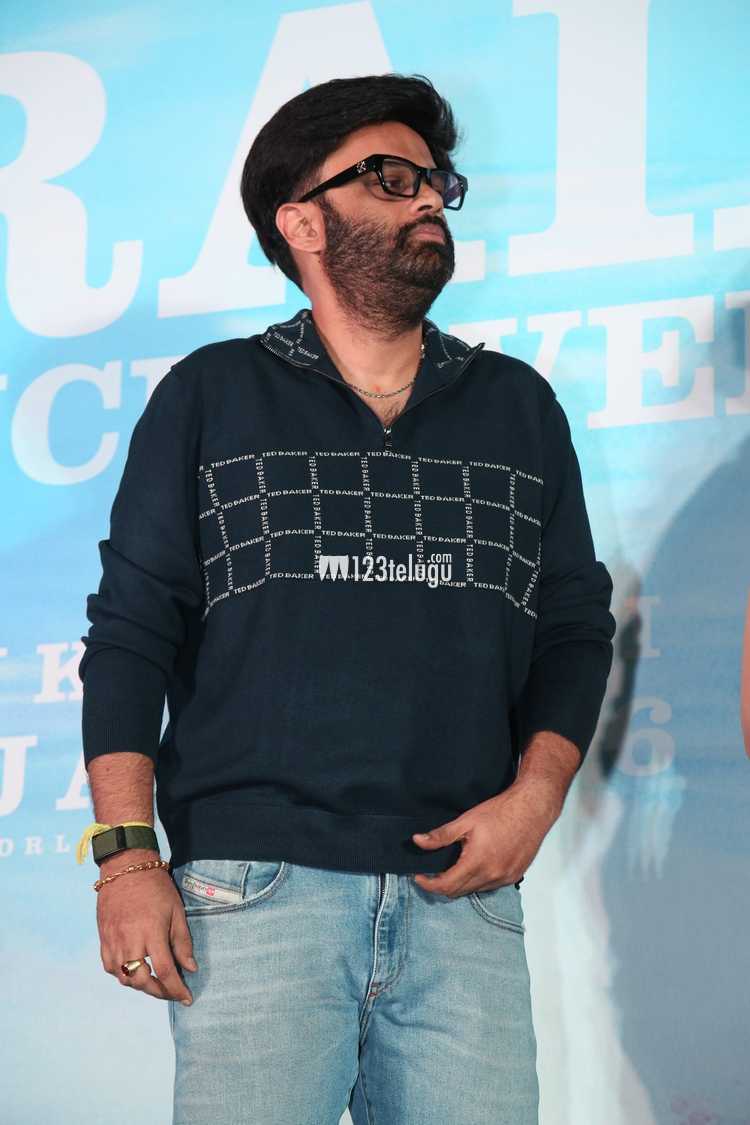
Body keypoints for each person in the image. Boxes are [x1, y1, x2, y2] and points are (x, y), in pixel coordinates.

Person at [77, 73, 616, 1125]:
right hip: (252, 897)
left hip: (465, 904)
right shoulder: (211, 395)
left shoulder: (517, 406)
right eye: (390, 178)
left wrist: (539, 796)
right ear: (302, 222)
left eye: (436, 182)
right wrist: (125, 857)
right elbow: (131, 633)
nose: (429, 199)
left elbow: (574, 627)